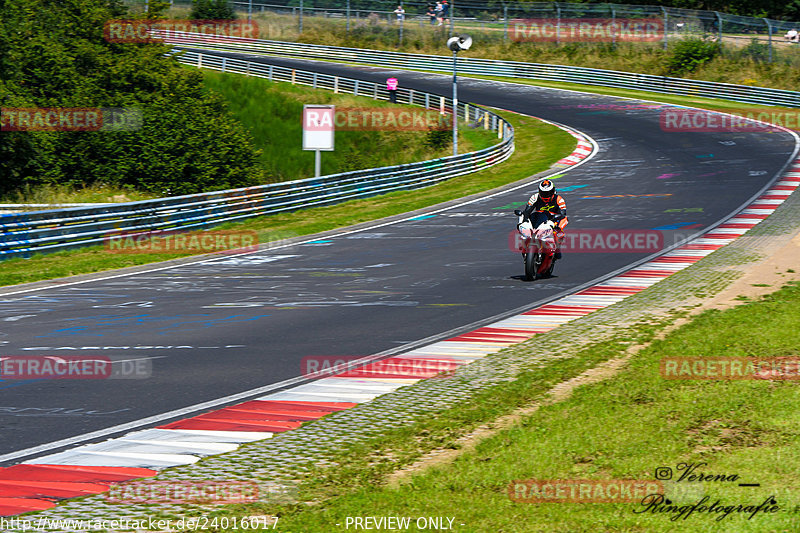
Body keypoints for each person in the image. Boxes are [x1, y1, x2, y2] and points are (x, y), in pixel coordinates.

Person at [519, 179, 568, 259]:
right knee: (526, 228)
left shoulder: (559, 199)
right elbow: (527, 211)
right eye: (543, 193)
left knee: (559, 233)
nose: (546, 195)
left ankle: (557, 248)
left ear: (553, 191)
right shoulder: (535, 197)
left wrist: (556, 218)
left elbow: (563, 213)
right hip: (540, 217)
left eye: (548, 193)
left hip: (554, 218)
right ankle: (525, 246)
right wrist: (524, 219)